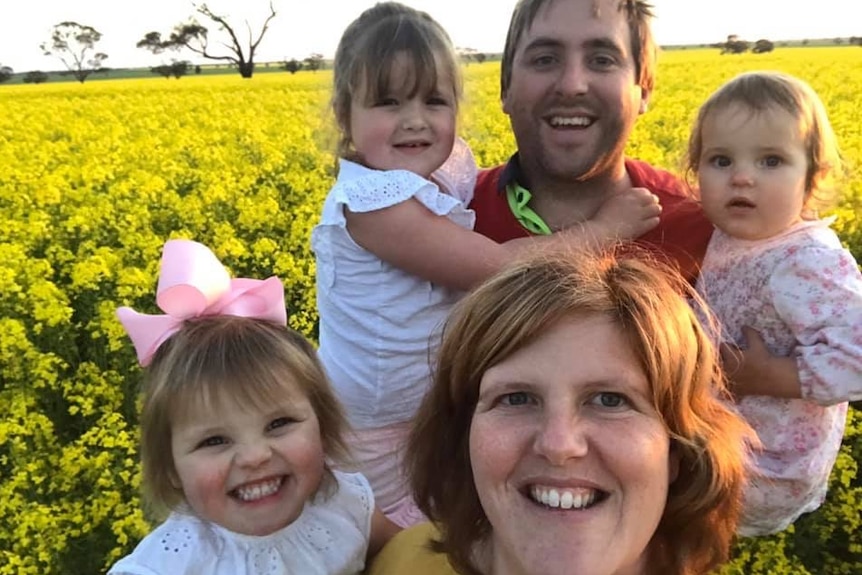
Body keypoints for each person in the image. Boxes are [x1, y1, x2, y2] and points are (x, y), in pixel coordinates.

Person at [311, 1, 660, 527]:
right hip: (372, 421)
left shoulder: (428, 187)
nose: (415, 121)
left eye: (435, 100)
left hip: (414, 410)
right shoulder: (372, 203)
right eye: (388, 102)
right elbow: (496, 266)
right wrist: (604, 232)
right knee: (371, 536)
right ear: (345, 116)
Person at [367, 249, 755, 575]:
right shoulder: (407, 561)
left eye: (610, 400)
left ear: (678, 449)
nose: (559, 444)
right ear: (463, 437)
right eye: (517, 398)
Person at [108, 239, 397, 575]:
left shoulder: (343, 504)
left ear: (322, 423)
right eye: (214, 441)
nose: (255, 456)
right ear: (171, 467)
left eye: (279, 423)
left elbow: (407, 553)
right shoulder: (173, 564)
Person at [685, 71, 862, 536]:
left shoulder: (808, 260)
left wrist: (767, 376)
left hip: (767, 468)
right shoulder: (733, 234)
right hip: (724, 434)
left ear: (812, 180)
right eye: (721, 160)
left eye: (771, 161)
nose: (741, 177)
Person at [469, 0, 713, 282]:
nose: (572, 86)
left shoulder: (706, 229)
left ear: (644, 90)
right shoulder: (447, 217)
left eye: (602, 60)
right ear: (505, 89)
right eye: (544, 59)